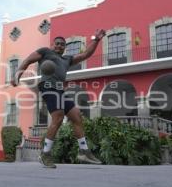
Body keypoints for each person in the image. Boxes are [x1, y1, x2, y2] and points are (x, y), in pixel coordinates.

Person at [11, 29, 106, 168]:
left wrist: (96, 40)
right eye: (57, 43)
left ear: (64, 47)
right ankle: (45, 153)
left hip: (60, 90)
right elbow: (27, 60)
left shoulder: (67, 59)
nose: (59, 46)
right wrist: (17, 76)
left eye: (62, 44)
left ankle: (83, 151)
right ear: (52, 45)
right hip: (48, 87)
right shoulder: (45, 52)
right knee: (58, 117)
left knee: (77, 116)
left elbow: (86, 54)